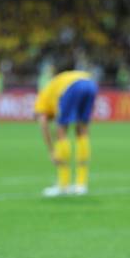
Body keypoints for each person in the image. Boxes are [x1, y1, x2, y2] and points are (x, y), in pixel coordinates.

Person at [34, 69, 98, 197]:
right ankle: (81, 185)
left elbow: (43, 123)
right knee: (82, 131)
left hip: (71, 87)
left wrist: (52, 151)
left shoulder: (41, 101)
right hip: (90, 83)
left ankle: (63, 185)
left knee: (61, 131)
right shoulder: (53, 90)